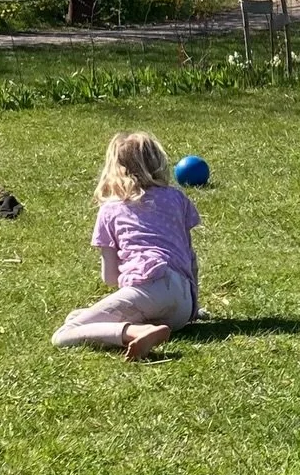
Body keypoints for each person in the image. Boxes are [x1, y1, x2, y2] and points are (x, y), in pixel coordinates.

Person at [51, 131, 201, 360]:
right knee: (76, 316)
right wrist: (192, 308)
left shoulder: (110, 210)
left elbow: (110, 277)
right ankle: (143, 327)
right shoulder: (176, 198)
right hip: (183, 307)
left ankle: (137, 331)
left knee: (64, 333)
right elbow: (190, 257)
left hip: (148, 288)